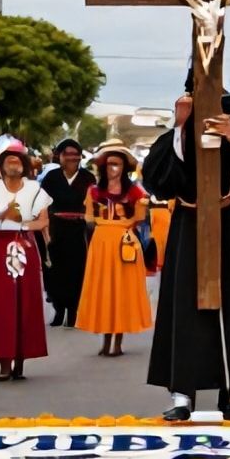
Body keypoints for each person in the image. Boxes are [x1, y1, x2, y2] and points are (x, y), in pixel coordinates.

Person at [142, 90, 230, 421]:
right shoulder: (178, 134)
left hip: (229, 224)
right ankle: (182, 396)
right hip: (188, 224)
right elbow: (157, 183)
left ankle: (229, 395)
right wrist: (179, 127)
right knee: (184, 308)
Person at [0, 142, 51, 380]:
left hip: (25, 244)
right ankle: (3, 361)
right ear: (1, 166)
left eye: (17, 160)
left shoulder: (35, 189)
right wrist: (3, 214)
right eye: (8, 160)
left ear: (25, 166)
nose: (13, 164)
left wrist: (22, 223)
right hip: (0, 245)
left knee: (26, 301)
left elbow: (43, 221)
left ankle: (21, 358)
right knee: (0, 302)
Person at [74, 142, 153, 356]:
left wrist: (124, 223)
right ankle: (106, 339)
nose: (113, 168)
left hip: (124, 240)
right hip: (101, 242)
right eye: (109, 164)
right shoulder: (94, 191)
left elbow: (139, 217)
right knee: (103, 290)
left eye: (117, 164)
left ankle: (118, 341)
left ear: (124, 167)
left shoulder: (135, 191)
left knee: (122, 290)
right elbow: (89, 217)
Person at [40, 138, 95, 328]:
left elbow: (94, 206)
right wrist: (45, 230)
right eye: (67, 154)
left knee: (77, 270)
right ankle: (58, 310)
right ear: (60, 156)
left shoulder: (88, 178)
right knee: (55, 271)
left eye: (75, 154)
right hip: (56, 229)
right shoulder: (51, 177)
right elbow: (42, 204)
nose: (72, 158)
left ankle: (73, 311)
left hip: (79, 230)